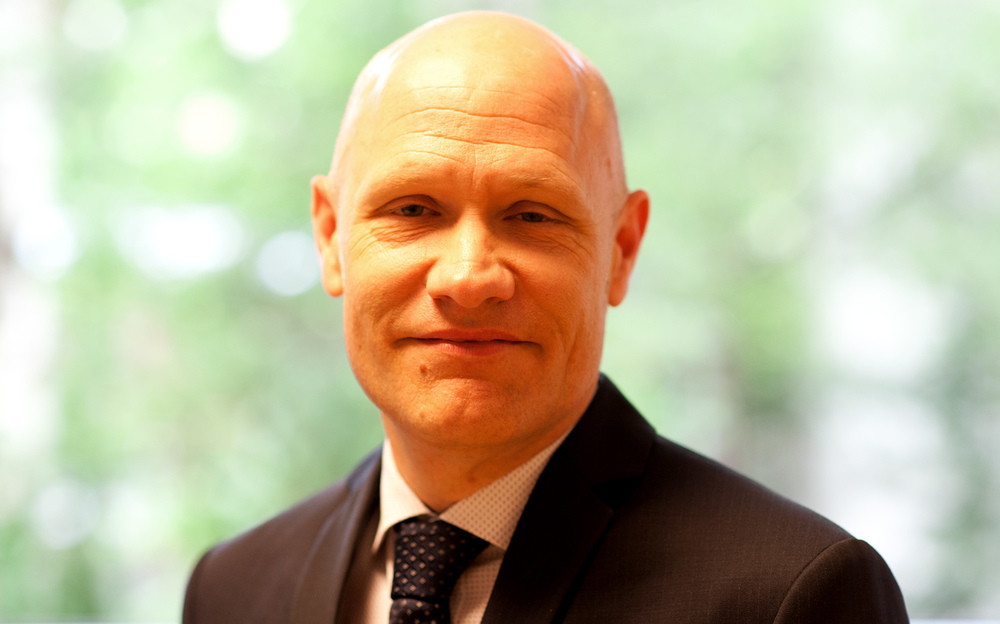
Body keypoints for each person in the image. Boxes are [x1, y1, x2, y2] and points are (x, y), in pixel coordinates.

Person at [182, 11, 908, 624]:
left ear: (621, 250)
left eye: (531, 214)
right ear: (330, 237)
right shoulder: (232, 589)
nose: (469, 278)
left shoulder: (791, 594)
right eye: (413, 210)